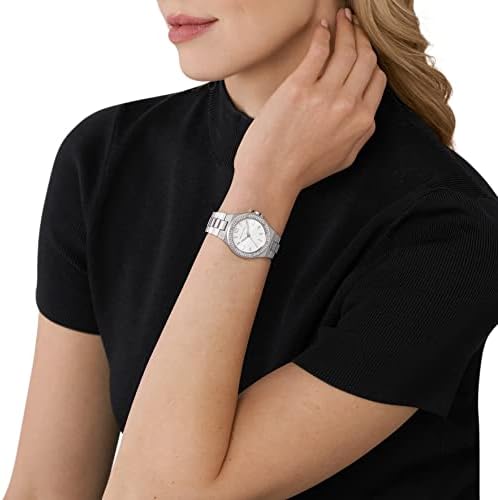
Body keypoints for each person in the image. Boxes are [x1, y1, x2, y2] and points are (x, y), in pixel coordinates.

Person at [5, 1, 498, 499]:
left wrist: (263, 185)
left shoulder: (446, 230)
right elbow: (43, 491)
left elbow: (159, 493)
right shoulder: (107, 157)